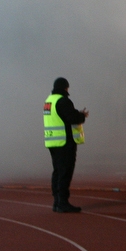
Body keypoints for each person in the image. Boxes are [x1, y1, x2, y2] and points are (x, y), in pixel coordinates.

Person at [44, 77, 88, 213]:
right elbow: (71, 118)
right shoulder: (63, 101)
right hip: (64, 142)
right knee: (65, 172)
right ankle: (62, 202)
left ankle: (57, 202)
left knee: (57, 171)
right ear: (65, 88)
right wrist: (82, 116)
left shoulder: (49, 101)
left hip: (52, 142)